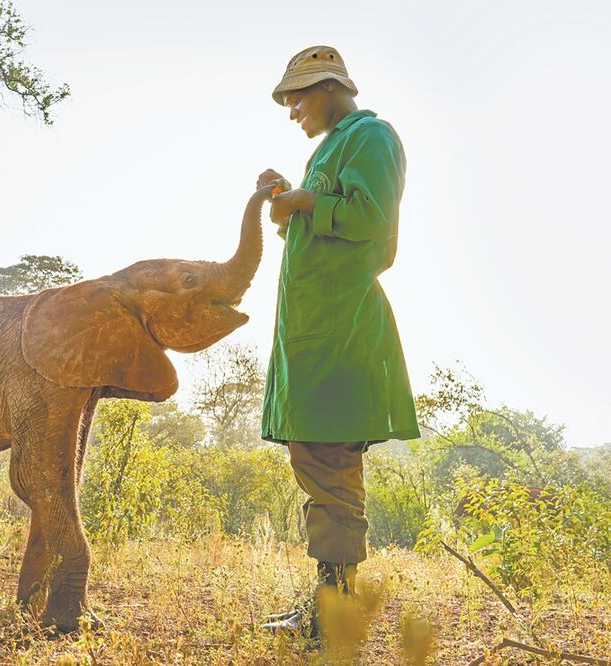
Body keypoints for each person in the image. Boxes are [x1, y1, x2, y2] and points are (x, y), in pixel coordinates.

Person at [257, 45, 421, 639]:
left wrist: (307, 202)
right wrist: (290, 205)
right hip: (314, 335)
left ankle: (333, 616)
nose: (292, 110)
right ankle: (330, 607)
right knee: (318, 463)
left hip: (341, 333)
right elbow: (326, 235)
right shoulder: (329, 149)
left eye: (297, 97)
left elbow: (373, 225)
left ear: (329, 87)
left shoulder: (371, 136)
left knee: (330, 467)